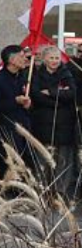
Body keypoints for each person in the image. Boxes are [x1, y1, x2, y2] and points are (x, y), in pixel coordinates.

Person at [29, 45, 80, 199]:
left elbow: (71, 94)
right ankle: (43, 191)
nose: (54, 61)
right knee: (43, 161)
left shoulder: (67, 74)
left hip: (64, 125)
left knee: (63, 161)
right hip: (43, 124)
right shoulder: (37, 75)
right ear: (44, 59)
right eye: (51, 58)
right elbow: (36, 95)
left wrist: (51, 93)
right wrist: (58, 98)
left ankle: (60, 193)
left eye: (57, 58)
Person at [0, 45, 34, 169]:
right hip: (6, 128)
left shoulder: (23, 78)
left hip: (24, 127)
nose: (26, 60)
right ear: (11, 60)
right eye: (21, 57)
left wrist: (28, 104)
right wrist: (14, 101)